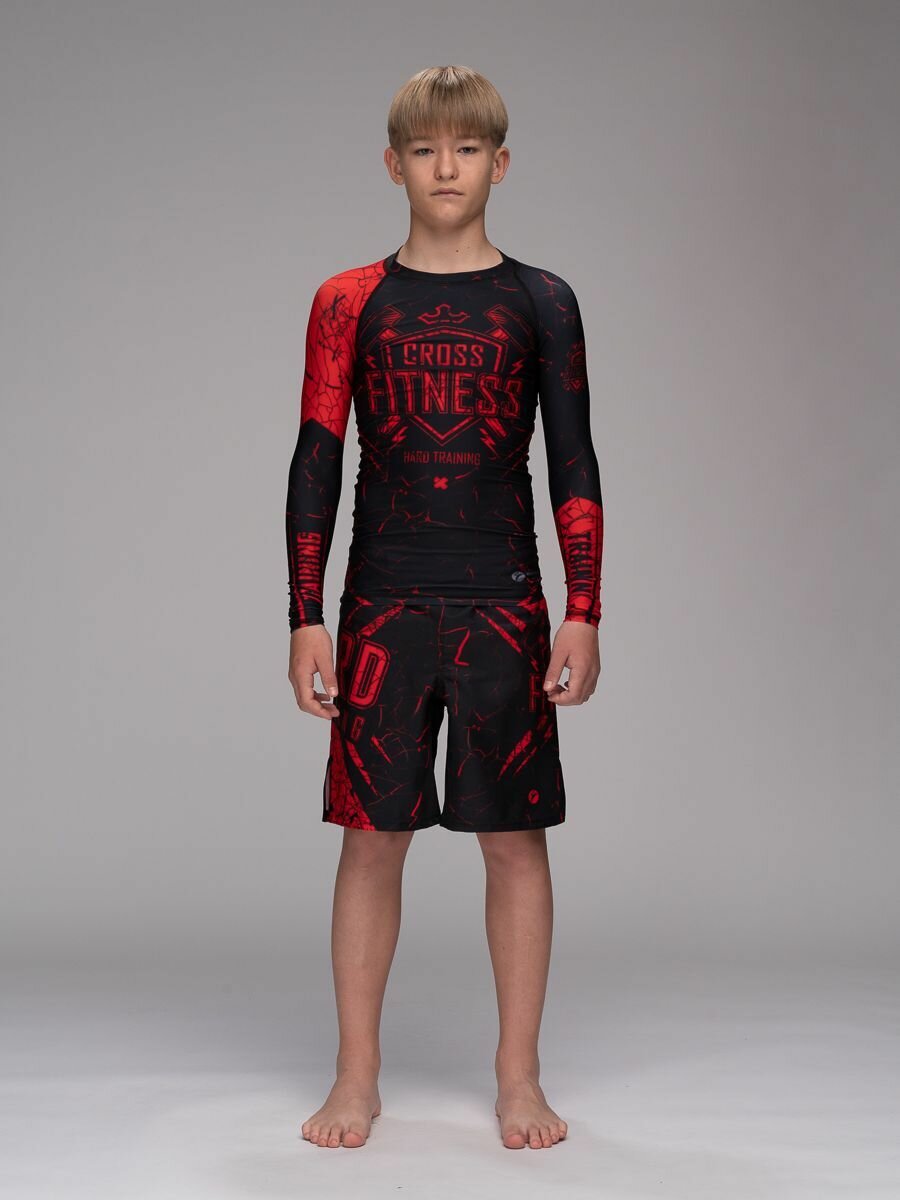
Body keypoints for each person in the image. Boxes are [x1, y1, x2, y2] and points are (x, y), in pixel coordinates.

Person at [285, 65, 603, 1151]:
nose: (446, 168)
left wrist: (584, 608)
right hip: (381, 603)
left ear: (500, 163)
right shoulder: (348, 300)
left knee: (514, 840)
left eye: (467, 148)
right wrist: (306, 614)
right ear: (394, 165)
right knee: (371, 840)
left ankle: (519, 1077)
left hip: (505, 603)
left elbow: (574, 459)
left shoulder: (542, 300)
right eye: (425, 150)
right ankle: (355, 1077)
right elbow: (317, 459)